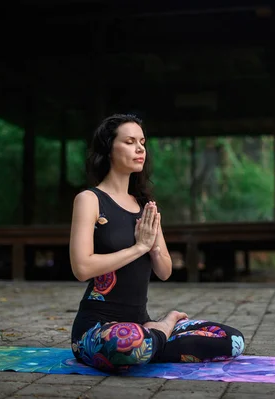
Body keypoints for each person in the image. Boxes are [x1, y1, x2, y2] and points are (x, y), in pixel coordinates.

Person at [69, 114, 245, 372]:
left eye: (142, 141)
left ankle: (154, 338)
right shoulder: (89, 200)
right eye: (129, 141)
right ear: (108, 149)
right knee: (128, 344)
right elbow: (82, 268)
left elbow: (164, 271)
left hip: (141, 324)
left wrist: (153, 245)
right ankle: (163, 328)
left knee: (232, 340)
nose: (140, 148)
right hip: (97, 329)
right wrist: (138, 248)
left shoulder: (144, 205)